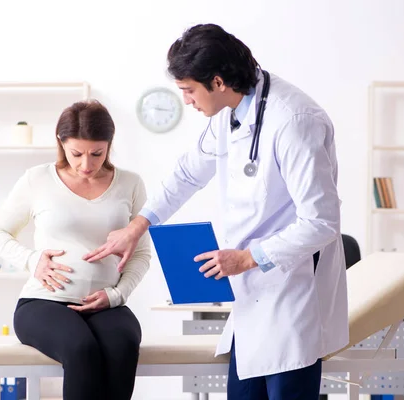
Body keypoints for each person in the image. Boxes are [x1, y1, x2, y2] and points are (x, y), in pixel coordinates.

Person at [83, 23, 349, 400]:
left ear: (218, 81)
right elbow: (188, 174)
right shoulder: (231, 112)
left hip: (293, 290)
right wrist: (137, 226)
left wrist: (246, 258)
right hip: (252, 297)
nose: (187, 101)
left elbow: (321, 222)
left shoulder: (294, 120)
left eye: (189, 90)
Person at [0, 100, 150, 400]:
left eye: (97, 153)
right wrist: (32, 260)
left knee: (123, 345)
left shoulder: (131, 184)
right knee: (81, 348)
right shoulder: (37, 179)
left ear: (109, 145)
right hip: (43, 303)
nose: (86, 164)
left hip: (106, 305)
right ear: (62, 144)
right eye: (76, 154)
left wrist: (116, 294)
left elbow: (141, 254)